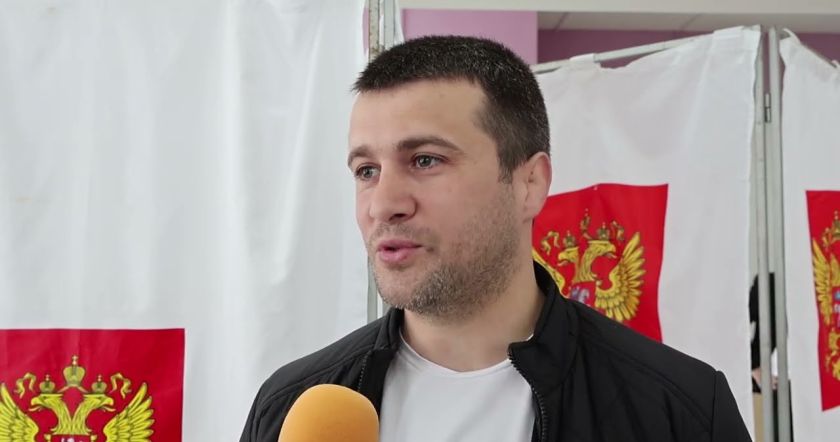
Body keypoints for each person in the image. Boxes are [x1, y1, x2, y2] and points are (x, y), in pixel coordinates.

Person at [240, 36, 751, 442]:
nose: (383, 204)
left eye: (425, 160)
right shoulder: (288, 407)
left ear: (530, 184)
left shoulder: (678, 410)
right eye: (366, 170)